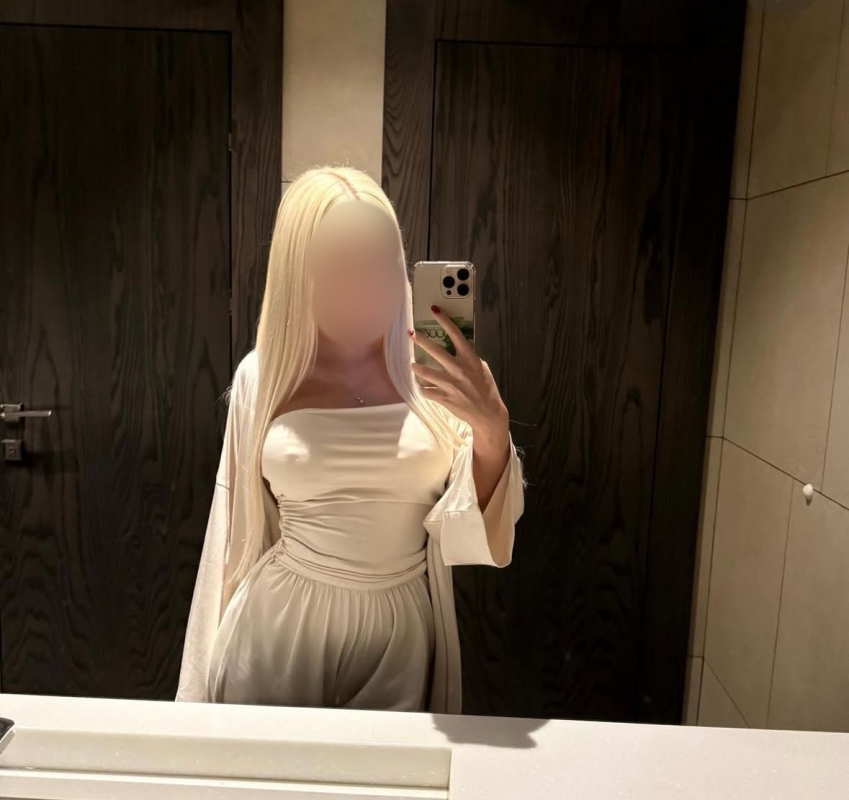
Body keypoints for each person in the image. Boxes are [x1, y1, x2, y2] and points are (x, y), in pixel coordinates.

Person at [175, 166, 525, 714]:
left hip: (400, 636)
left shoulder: (435, 377)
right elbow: (231, 533)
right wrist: (197, 707)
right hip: (278, 631)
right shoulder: (264, 376)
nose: (366, 286)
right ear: (297, 271)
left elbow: (471, 532)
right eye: (340, 266)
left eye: (381, 263)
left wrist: (491, 428)